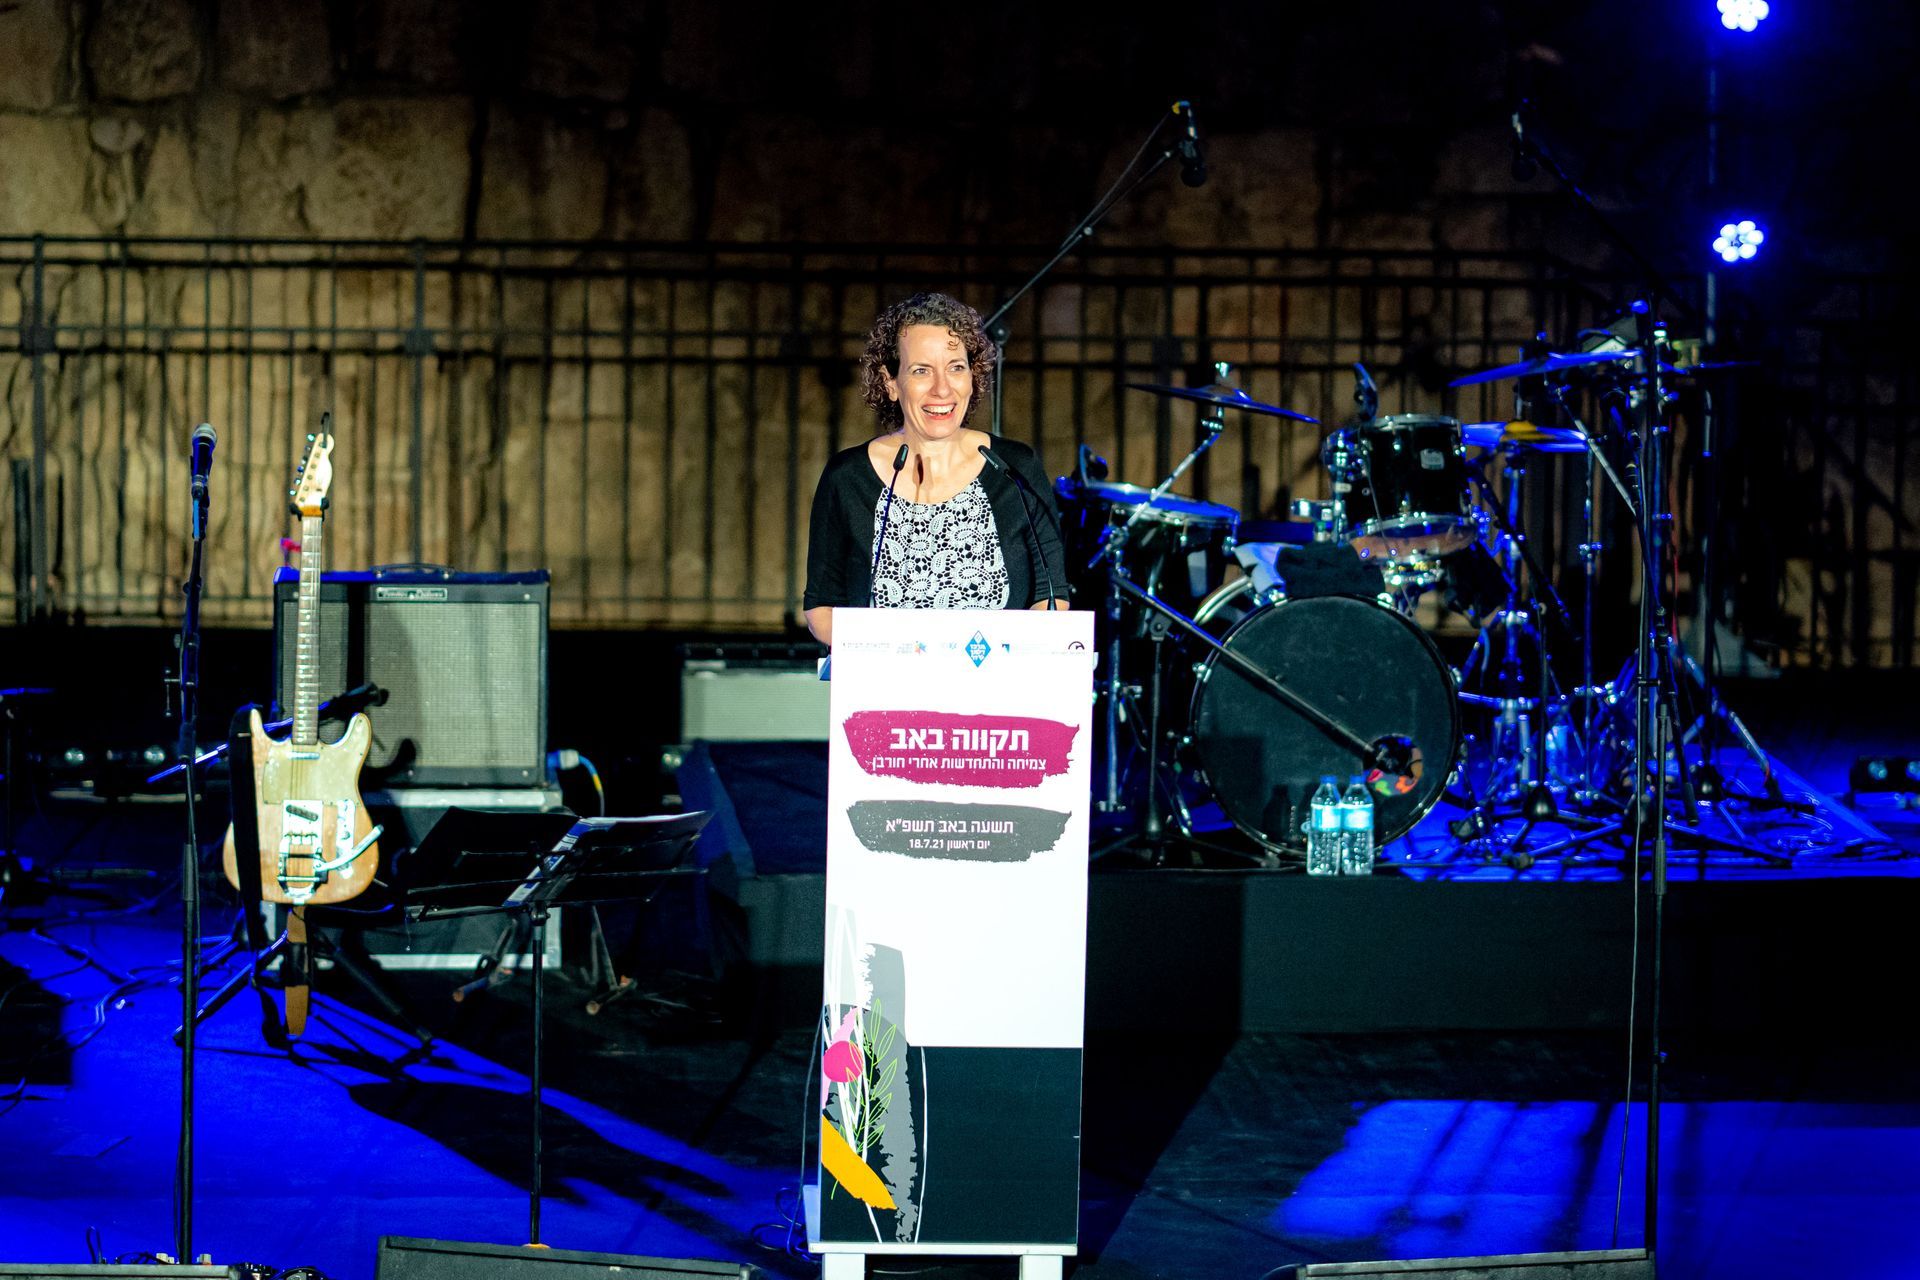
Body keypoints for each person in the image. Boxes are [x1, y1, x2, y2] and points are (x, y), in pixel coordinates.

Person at [803, 292, 1068, 646]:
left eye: (956, 368)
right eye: (921, 371)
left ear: (973, 376)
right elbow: (821, 610)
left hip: (997, 679)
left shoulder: (1015, 469)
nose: (942, 389)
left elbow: (1051, 597)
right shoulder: (847, 477)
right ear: (890, 382)